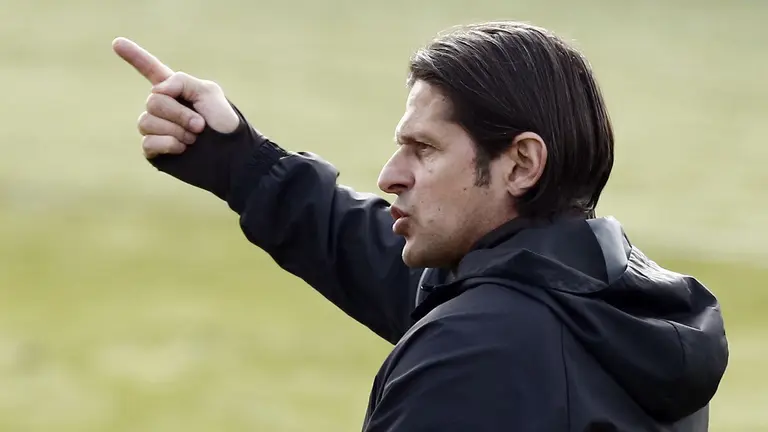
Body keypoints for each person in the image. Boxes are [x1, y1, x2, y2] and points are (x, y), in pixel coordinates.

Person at [112, 21, 728, 431]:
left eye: (424, 149)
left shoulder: (476, 354)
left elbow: (472, 328)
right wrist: (241, 163)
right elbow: (397, 264)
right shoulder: (613, 305)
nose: (389, 174)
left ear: (521, 163)